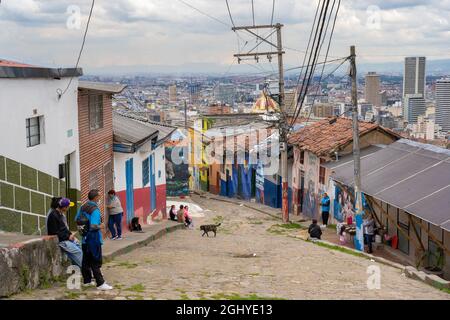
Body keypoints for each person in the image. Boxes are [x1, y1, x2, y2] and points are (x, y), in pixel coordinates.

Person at [76, 189, 113, 291]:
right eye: (99, 196)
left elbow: (77, 219)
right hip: (93, 239)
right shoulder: (95, 210)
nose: (100, 198)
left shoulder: (83, 207)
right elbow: (93, 226)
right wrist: (101, 226)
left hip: (84, 239)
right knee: (95, 262)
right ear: (96, 197)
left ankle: (87, 281)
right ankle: (100, 283)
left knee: (86, 261)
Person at [47, 198, 82, 268]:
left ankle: (79, 269)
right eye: (68, 206)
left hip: (65, 239)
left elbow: (64, 229)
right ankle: (87, 271)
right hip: (61, 241)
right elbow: (55, 232)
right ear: (64, 207)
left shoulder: (59, 214)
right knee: (78, 252)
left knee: (78, 245)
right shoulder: (53, 215)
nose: (69, 208)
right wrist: (68, 237)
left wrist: (70, 235)